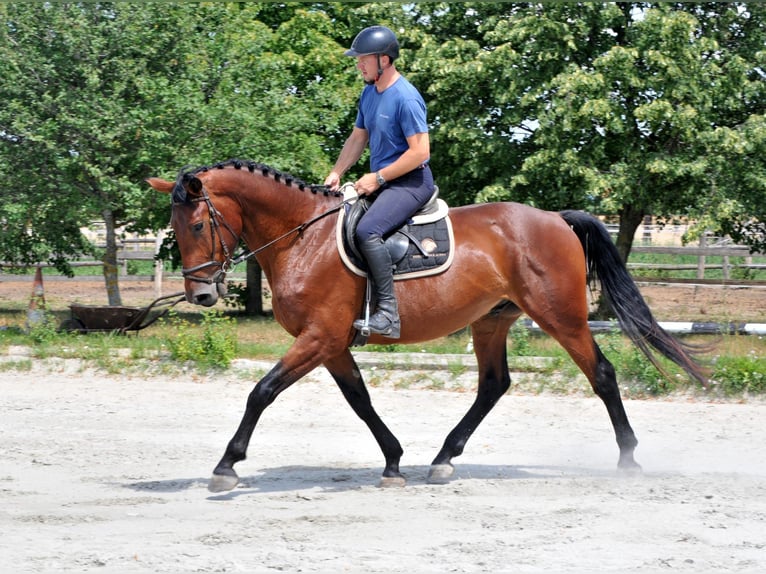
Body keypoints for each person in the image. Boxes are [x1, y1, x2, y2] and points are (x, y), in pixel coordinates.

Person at [325, 25, 434, 339]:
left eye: (363, 59)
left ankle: (388, 314)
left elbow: (420, 152)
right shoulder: (369, 93)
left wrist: (379, 177)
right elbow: (359, 137)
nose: (358, 64)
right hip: (385, 182)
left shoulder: (407, 98)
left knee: (367, 230)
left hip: (410, 183)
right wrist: (337, 172)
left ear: (384, 60)